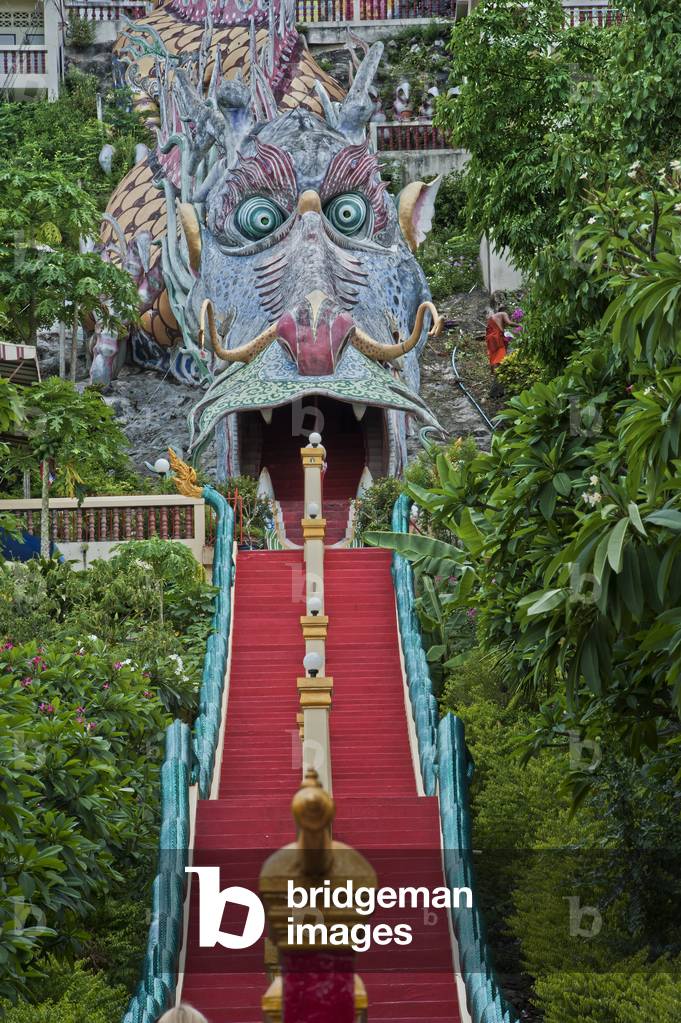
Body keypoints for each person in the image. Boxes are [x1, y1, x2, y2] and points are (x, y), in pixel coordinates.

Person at [485, 294, 513, 370]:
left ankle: (494, 372)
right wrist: (519, 325)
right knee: (500, 353)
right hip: (496, 338)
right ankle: (498, 372)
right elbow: (509, 323)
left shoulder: (494, 316)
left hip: (491, 338)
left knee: (494, 354)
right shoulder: (503, 314)